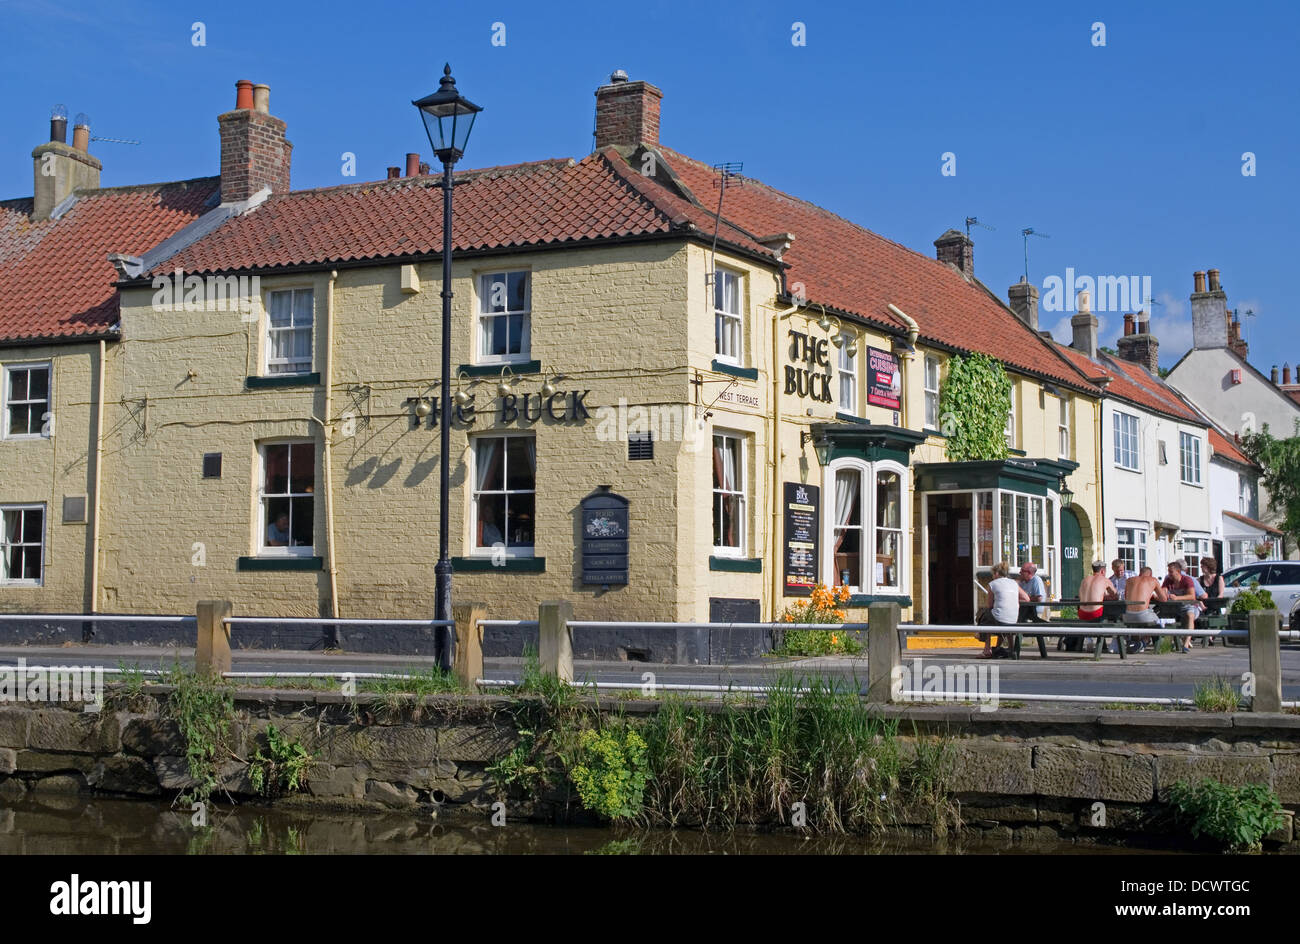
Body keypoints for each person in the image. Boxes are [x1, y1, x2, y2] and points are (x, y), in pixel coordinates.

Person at [977, 561, 1030, 658]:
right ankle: (1011, 647)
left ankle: (987, 650)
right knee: (1000, 616)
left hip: (1000, 619)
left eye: (993, 574)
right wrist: (1012, 598)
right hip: (1013, 619)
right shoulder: (1014, 583)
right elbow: (1027, 598)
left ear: (996, 573)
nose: (992, 576)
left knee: (985, 616)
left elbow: (990, 605)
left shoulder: (992, 584)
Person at [1121, 565, 1167, 653]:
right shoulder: (1153, 580)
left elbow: (1127, 597)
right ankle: (1144, 642)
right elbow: (1164, 599)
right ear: (1151, 574)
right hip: (1142, 614)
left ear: (1140, 573)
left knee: (1137, 622)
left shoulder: (1129, 580)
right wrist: (1153, 596)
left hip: (1127, 615)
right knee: (1158, 623)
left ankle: (1134, 643)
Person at [1077, 560, 1118, 650]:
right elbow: (1115, 595)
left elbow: (1080, 595)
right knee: (1116, 617)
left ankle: (1089, 639)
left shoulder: (1085, 580)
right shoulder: (1105, 580)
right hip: (1096, 614)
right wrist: (1105, 596)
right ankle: (1114, 644)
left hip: (1082, 614)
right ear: (1103, 571)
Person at [1162, 560, 1201, 653]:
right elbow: (1162, 590)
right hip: (1175, 608)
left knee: (1189, 615)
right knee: (1162, 615)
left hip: (1190, 606)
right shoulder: (1168, 580)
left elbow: (1192, 596)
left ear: (1178, 572)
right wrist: (1164, 594)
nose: (1169, 574)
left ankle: (1186, 643)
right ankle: (1165, 642)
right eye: (1168, 572)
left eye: (1171, 572)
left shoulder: (1187, 580)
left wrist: (1177, 598)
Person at [1198, 557, 1227, 647]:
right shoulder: (1200, 580)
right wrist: (1202, 605)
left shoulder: (1219, 578)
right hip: (1204, 606)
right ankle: (1208, 636)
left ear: (1208, 567)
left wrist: (1214, 604)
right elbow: (1197, 596)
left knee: (1212, 613)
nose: (1201, 568)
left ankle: (1209, 636)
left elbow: (1221, 594)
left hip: (1216, 605)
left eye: (1203, 566)